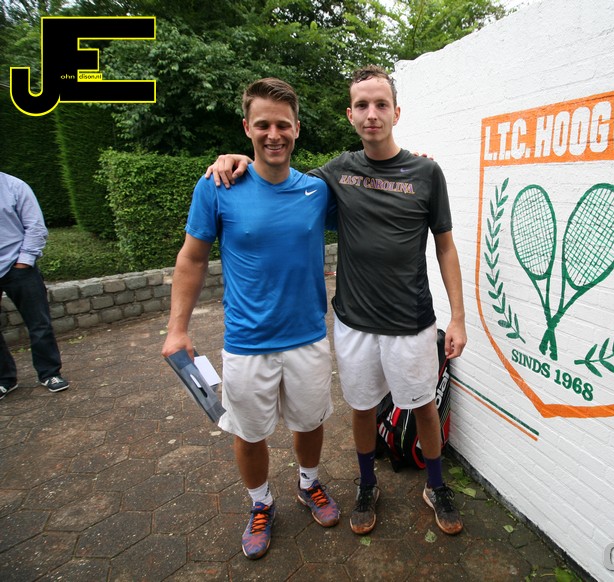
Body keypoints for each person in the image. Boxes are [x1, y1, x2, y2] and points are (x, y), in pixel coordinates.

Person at [207, 65, 468, 536]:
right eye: (362, 105)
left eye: (381, 104)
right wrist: (236, 159)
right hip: (354, 322)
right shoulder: (335, 173)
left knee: (423, 406)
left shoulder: (427, 172)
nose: (372, 114)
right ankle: (366, 485)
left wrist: (459, 318)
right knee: (362, 408)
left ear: (396, 112)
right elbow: (278, 180)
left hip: (412, 321)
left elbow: (445, 247)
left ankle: (436, 485)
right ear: (350, 115)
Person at [162, 78, 340, 561]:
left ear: (297, 128)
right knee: (249, 431)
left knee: (310, 421)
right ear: (247, 127)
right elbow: (192, 258)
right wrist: (177, 329)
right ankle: (261, 503)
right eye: (263, 125)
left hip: (308, 337)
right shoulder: (217, 185)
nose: (273, 134)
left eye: (283, 125)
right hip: (246, 342)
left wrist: (414, 165)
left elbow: (372, 194)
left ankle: (308, 483)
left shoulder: (318, 191)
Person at [0, 172, 69, 400]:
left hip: (17, 266)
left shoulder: (14, 186)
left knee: (38, 322)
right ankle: (4, 379)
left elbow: (35, 226)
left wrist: (23, 262)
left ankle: (49, 373)